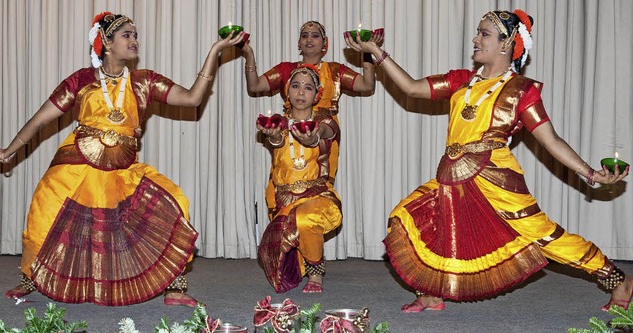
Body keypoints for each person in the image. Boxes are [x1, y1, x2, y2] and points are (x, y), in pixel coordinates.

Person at [345, 9, 631, 313]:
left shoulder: (521, 91)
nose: (475, 39)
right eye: (478, 32)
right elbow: (412, 87)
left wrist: (589, 173)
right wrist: (376, 52)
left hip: (495, 175)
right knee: (406, 219)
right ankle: (430, 293)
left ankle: (616, 279)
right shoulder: (461, 81)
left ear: (506, 43)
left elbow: (550, 141)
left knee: (543, 236)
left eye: (484, 34)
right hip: (452, 172)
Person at [0, 12, 245, 307]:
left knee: (176, 201)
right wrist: (9, 150)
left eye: (135, 35)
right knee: (43, 214)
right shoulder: (81, 80)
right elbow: (40, 120)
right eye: (127, 35)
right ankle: (30, 278)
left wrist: (215, 52)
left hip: (121, 168)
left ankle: (174, 289)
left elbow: (191, 99)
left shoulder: (144, 82)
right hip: (77, 163)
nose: (134, 40)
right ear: (107, 43)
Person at [241, 21, 381, 220]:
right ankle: (283, 239)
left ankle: (309, 238)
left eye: (315, 35)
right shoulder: (286, 69)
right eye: (305, 35)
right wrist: (249, 55)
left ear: (326, 43)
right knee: (281, 184)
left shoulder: (334, 71)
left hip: (324, 137)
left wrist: (367, 53)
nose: (309, 39)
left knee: (316, 195)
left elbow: (367, 85)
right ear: (299, 42)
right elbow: (254, 86)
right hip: (287, 133)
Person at [256, 65, 341, 293]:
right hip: (284, 200)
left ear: (317, 95)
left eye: (308, 88)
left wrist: (313, 137)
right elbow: (278, 144)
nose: (301, 92)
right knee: (275, 262)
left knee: (305, 218)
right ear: (287, 91)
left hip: (318, 197)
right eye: (295, 86)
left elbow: (323, 134)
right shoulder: (278, 123)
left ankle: (316, 271)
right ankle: (303, 256)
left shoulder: (327, 121)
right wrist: (273, 137)